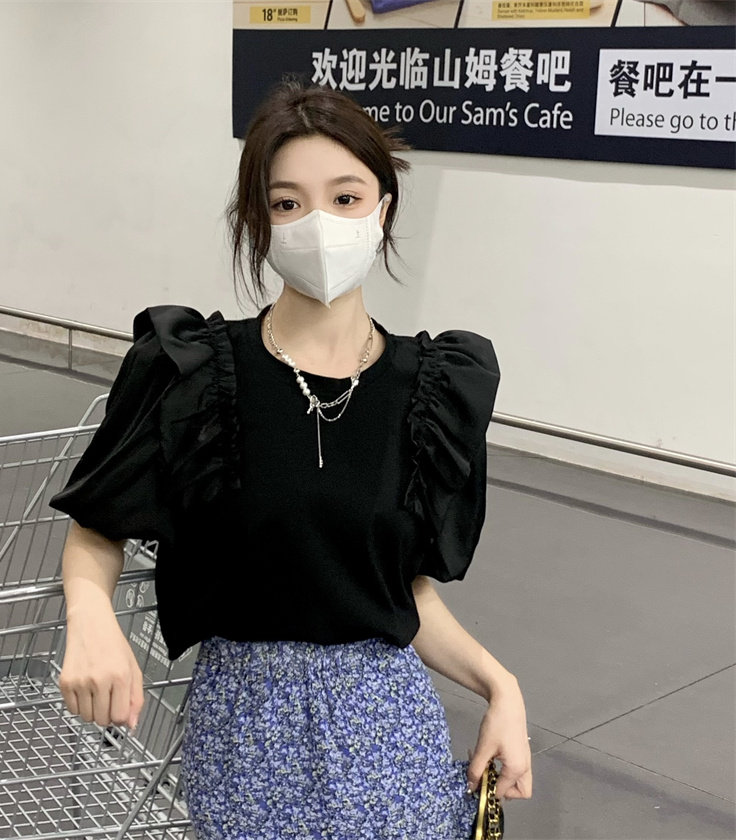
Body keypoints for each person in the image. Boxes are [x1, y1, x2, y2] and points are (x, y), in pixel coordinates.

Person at [49, 78, 532, 839]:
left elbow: (394, 594)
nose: (320, 223)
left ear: (383, 209)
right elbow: (96, 528)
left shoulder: (432, 390)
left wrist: (500, 685)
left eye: (345, 198)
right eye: (287, 203)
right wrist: (90, 617)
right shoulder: (195, 374)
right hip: (246, 738)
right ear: (259, 220)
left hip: (390, 741)